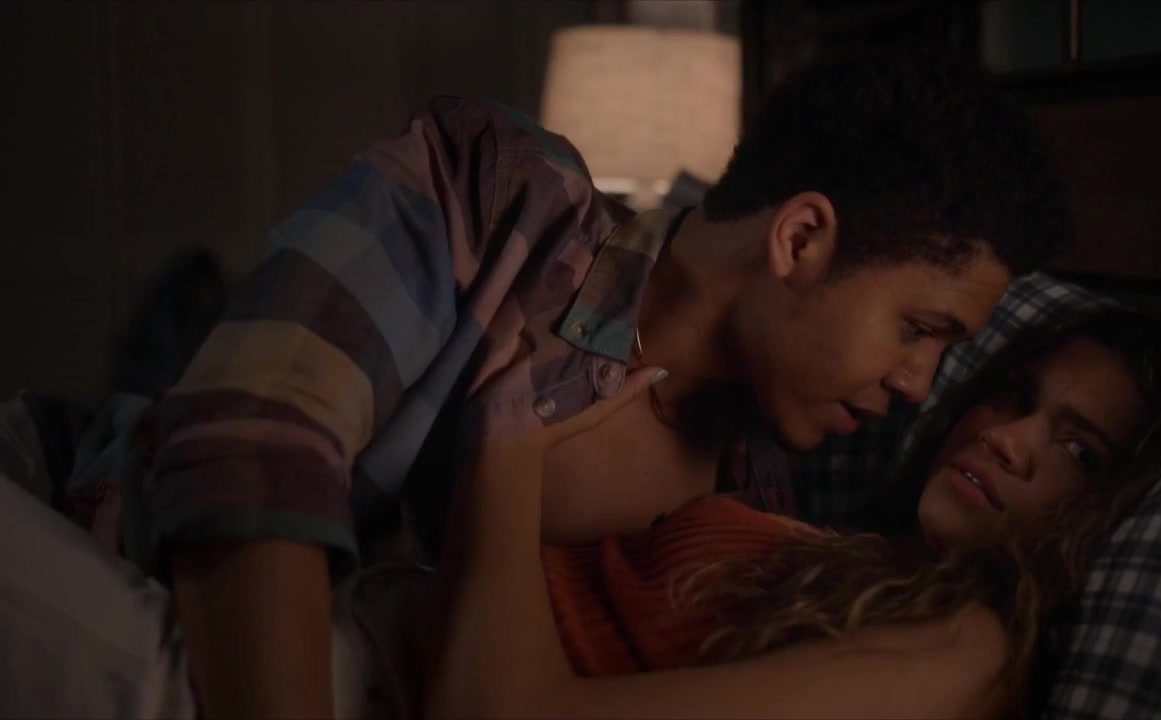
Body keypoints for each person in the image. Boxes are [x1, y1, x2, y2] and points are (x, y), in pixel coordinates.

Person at [71, 48, 1071, 718]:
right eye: (919, 329)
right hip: (97, 534)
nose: (918, 385)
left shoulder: (756, 503)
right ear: (801, 237)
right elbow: (258, 442)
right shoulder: (508, 204)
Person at [399, 306, 1161, 718]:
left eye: (1079, 451)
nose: (1007, 438)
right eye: (1016, 398)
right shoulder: (857, 555)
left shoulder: (970, 649)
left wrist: (507, 442)